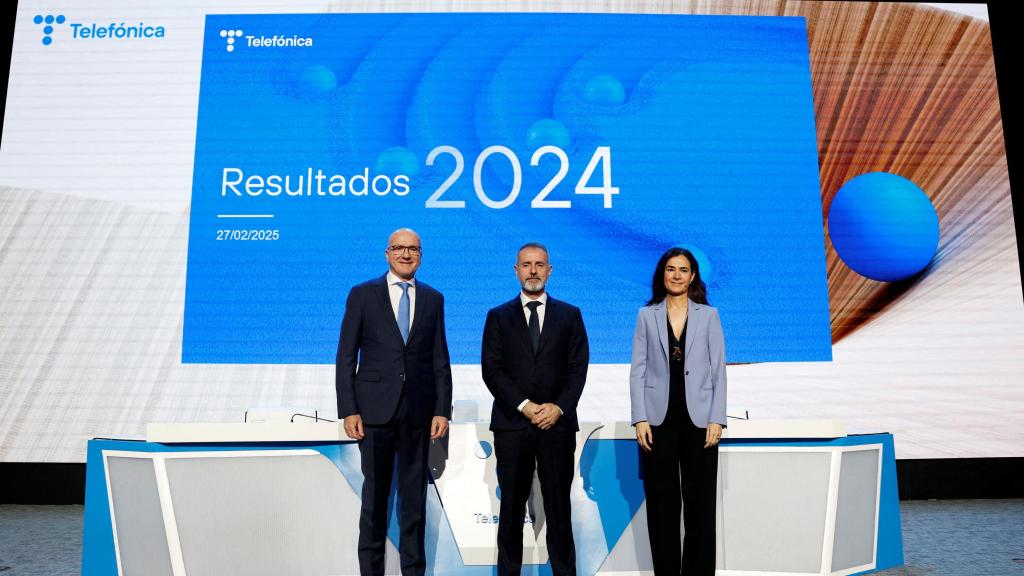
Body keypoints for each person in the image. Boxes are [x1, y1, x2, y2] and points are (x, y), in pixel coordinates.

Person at [336, 228, 453, 576]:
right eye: (399, 248)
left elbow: (440, 360)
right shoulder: (362, 295)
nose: (406, 254)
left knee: (414, 504)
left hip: (418, 414)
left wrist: (441, 410)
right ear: (387, 253)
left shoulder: (433, 298)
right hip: (373, 412)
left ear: (421, 255)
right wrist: (349, 409)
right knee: (374, 502)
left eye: (413, 249)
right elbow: (346, 357)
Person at [481, 242, 589, 576]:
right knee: (511, 510)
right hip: (513, 426)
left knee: (558, 510)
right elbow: (492, 369)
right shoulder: (498, 316)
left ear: (549, 270)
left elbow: (577, 368)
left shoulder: (570, 315)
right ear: (516, 270)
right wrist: (526, 406)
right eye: (526, 265)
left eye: (539, 265)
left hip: (557, 427)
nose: (533, 271)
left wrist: (558, 407)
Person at [629, 247, 727, 576]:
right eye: (671, 269)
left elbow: (718, 372)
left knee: (700, 506)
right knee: (662, 506)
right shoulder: (646, 315)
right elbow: (638, 371)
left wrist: (717, 418)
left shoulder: (709, 315)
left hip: (700, 421)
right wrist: (640, 417)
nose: (676, 275)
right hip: (658, 422)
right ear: (662, 274)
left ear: (693, 276)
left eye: (683, 270)